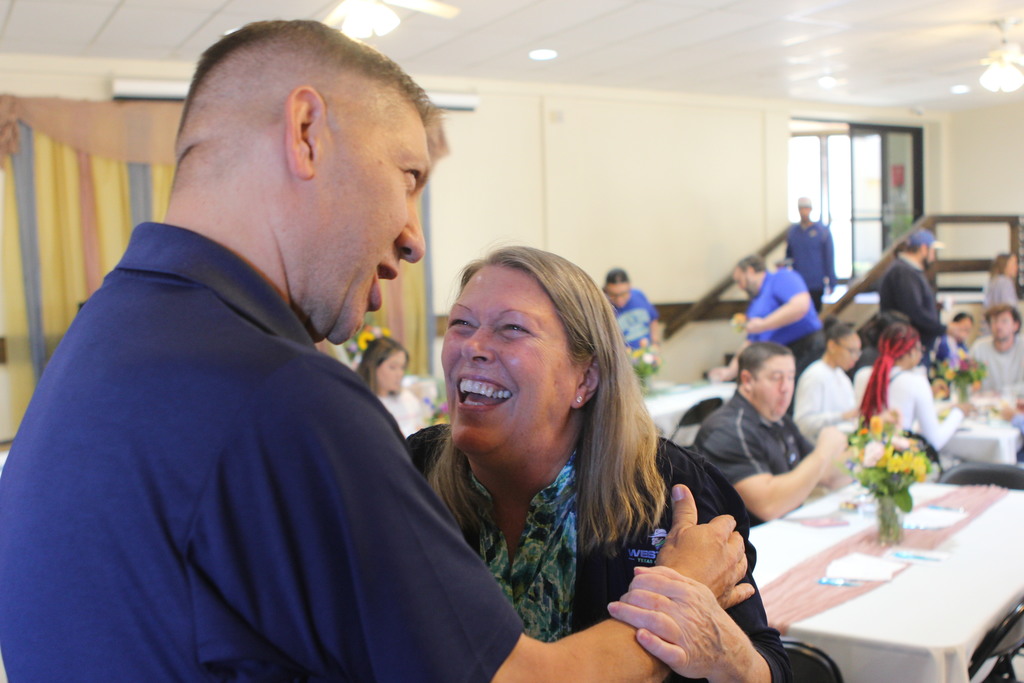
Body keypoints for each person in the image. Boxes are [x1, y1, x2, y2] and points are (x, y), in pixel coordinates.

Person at [0, 20, 748, 682]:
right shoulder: (285, 394)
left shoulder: (100, 337)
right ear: (306, 132)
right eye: (408, 176)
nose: (414, 236)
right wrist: (678, 592)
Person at [409, 246, 789, 682]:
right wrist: (675, 599)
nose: (473, 347)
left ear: (584, 379)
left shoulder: (672, 489)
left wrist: (726, 653)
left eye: (511, 329)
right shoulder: (407, 475)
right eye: (461, 324)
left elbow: (769, 667)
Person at [696, 343, 850, 525]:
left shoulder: (780, 419)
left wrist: (872, 453)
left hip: (784, 528)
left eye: (791, 377)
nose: (785, 388)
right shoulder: (727, 430)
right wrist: (823, 453)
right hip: (744, 544)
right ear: (747, 380)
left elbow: (827, 476)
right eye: (776, 378)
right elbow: (768, 506)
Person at [708, 254, 823, 383]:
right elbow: (750, 342)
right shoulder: (754, 304)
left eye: (740, 281)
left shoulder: (781, 277)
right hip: (779, 356)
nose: (740, 287)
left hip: (807, 347)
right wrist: (731, 370)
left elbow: (800, 305)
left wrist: (764, 324)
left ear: (750, 271)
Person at [858, 322, 964, 452]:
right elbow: (935, 440)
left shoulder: (862, 376)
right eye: (920, 349)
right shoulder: (916, 382)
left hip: (863, 457)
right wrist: (958, 413)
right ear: (912, 352)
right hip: (899, 461)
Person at [878, 229, 950, 365]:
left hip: (915, 347)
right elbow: (913, 311)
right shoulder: (903, 272)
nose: (933, 257)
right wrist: (943, 329)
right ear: (923, 249)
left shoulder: (909, 271)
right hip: (908, 349)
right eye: (932, 251)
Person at [793, 318, 861, 442]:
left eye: (858, 352)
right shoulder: (814, 375)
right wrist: (842, 416)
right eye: (851, 351)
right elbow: (803, 424)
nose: (855, 358)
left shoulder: (842, 376)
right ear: (832, 346)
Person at [356, 336, 432, 436]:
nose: (399, 374)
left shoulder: (408, 399)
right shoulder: (361, 404)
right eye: (393, 367)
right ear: (373, 367)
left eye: (402, 367)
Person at [785, 196, 836, 312]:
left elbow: (829, 257)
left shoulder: (821, 231)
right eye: (801, 209)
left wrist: (832, 281)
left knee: (815, 313)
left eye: (806, 208)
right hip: (798, 283)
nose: (804, 212)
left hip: (816, 283)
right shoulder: (793, 232)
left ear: (810, 210)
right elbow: (788, 256)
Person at [970, 304, 1024, 394]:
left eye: (1004, 321)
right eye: (994, 321)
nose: (998, 326)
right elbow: (967, 382)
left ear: (1016, 325)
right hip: (985, 404)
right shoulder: (979, 348)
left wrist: (1004, 392)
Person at [604, 267, 662, 350]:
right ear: (606, 290)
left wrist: (655, 343)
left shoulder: (639, 295)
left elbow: (653, 320)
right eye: (613, 295)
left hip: (649, 354)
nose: (619, 300)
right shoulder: (605, 309)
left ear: (629, 286)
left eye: (623, 294)